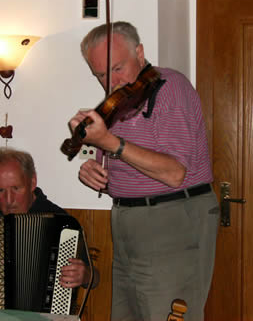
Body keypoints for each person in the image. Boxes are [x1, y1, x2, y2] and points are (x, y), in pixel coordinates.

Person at [68, 21, 219, 321]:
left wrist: (110, 141)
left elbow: (175, 173)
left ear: (140, 52)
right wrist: (94, 174)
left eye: (117, 68)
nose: (110, 82)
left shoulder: (169, 87)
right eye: (100, 74)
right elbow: (123, 172)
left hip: (173, 219)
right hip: (127, 223)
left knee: (169, 315)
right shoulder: (116, 106)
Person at [0, 147, 98, 290]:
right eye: (0, 190)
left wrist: (86, 276)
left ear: (32, 182)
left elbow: (94, 278)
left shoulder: (61, 222)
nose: (9, 200)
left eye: (16, 188)